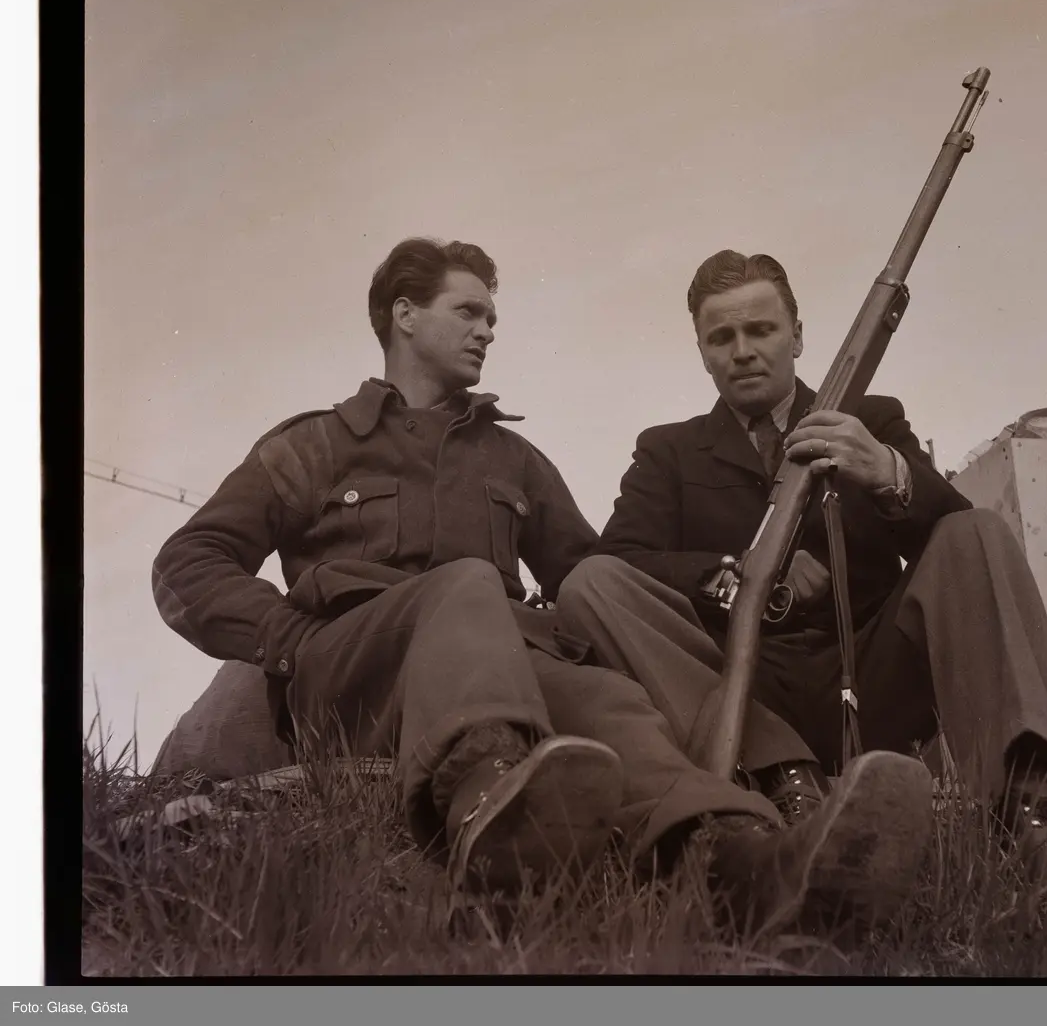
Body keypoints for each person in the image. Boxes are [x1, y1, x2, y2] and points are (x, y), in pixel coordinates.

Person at [150, 237, 932, 933]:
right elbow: (189, 562)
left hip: (501, 669)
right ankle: (489, 800)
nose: (488, 330)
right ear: (404, 315)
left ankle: (747, 861)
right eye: (469, 312)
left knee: (608, 700)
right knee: (465, 586)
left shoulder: (512, 460)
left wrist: (730, 584)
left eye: (492, 316)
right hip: (358, 673)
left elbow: (597, 574)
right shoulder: (316, 444)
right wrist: (291, 640)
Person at [559, 249, 1047, 926]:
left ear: (797, 336)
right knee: (592, 585)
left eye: (761, 330)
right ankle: (789, 790)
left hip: (869, 678)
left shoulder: (872, 419)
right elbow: (619, 560)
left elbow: (955, 542)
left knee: (978, 533)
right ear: (701, 352)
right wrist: (736, 572)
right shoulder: (667, 451)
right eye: (721, 337)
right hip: (736, 690)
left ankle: (1037, 829)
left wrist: (888, 472)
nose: (742, 351)